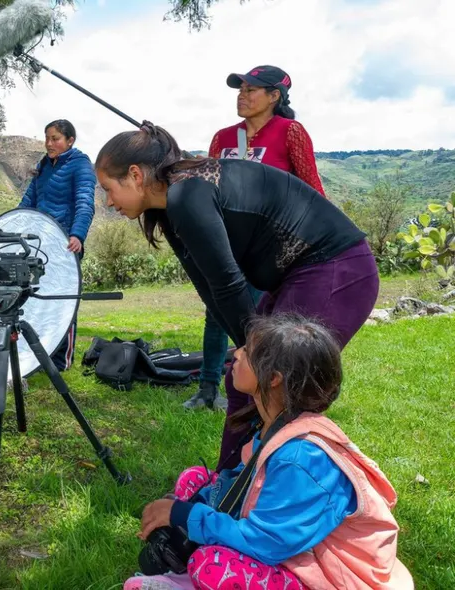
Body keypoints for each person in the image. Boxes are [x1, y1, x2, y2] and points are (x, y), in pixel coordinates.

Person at [94, 123, 379, 470]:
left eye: (109, 188)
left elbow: (229, 283)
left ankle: (288, 490)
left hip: (336, 267)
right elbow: (209, 287)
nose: (108, 201)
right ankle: (229, 483)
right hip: (296, 275)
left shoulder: (186, 195)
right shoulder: (169, 205)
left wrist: (254, 351)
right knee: (245, 380)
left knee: (279, 384)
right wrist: (249, 353)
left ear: (135, 175)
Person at [123, 313, 413, 590]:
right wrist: (189, 507)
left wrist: (186, 516)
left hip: (332, 575)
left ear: (273, 378)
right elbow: (245, 482)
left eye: (248, 351)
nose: (236, 353)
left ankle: (190, 577)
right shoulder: (276, 423)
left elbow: (266, 543)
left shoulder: (301, 458)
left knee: (209, 565)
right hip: (291, 542)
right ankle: (186, 569)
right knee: (195, 479)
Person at [186, 65, 327, 411]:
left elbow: (312, 189)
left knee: (258, 317)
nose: (242, 95)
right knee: (218, 311)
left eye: (251, 90)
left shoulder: (289, 132)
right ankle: (208, 387)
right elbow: (208, 186)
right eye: (240, 89)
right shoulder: (223, 138)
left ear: (274, 96)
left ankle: (258, 387)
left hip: (271, 248)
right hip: (227, 242)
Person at [18, 119, 96, 371]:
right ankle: (43, 354)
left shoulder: (80, 164)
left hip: (65, 245)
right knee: (41, 299)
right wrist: (13, 225)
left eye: (55, 139)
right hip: (41, 246)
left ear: (70, 141)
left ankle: (61, 359)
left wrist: (77, 235)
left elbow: (85, 201)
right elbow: (29, 199)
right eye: (47, 138)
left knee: (64, 299)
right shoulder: (44, 165)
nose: (49, 143)